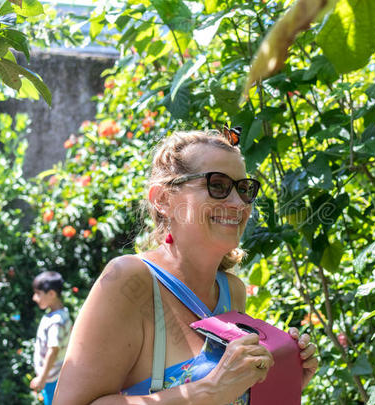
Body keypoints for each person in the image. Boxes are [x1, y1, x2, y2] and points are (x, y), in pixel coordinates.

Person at [53, 130, 318, 404]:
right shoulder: (129, 280)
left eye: (244, 189)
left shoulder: (231, 291)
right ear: (164, 200)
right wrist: (210, 390)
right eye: (218, 185)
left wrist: (280, 379)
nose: (239, 204)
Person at [31, 271, 73, 405]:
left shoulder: (56, 322)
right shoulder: (64, 314)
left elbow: (53, 350)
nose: (34, 298)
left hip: (51, 378)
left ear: (51, 294)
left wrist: (42, 378)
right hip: (57, 375)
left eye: (38, 294)